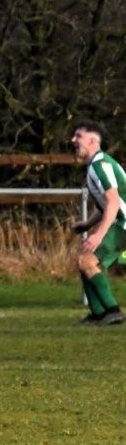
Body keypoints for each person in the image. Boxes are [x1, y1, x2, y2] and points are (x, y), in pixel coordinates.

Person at [69, 119, 126, 326]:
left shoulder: (100, 165)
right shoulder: (97, 164)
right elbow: (106, 205)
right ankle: (99, 314)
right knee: (84, 260)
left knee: (87, 261)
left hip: (124, 224)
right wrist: (87, 224)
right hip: (121, 222)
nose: (73, 140)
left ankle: (112, 311)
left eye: (79, 136)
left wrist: (98, 235)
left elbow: (113, 201)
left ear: (93, 141)